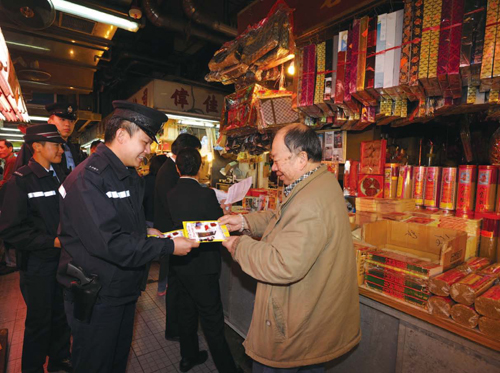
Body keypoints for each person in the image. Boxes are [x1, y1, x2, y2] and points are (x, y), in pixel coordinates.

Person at [57, 101, 199, 373]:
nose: (148, 151)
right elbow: (110, 243)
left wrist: (146, 231)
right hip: (97, 294)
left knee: (116, 362)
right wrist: (167, 247)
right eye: (145, 142)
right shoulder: (88, 180)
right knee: (95, 364)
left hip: (122, 289)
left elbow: (118, 223)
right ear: (122, 135)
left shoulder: (127, 174)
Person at [219, 123, 361, 373]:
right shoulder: (318, 183)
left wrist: (236, 244)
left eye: (276, 160)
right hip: (309, 317)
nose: (273, 168)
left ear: (301, 159)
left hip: (298, 328)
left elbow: (282, 264)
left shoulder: (311, 200)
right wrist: (243, 221)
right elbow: (282, 217)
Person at [0, 124, 72, 373]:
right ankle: (32, 367)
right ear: (37, 147)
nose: (61, 149)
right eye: (56, 144)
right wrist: (51, 241)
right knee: (39, 321)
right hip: (38, 265)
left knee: (61, 314)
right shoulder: (20, 182)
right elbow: (11, 230)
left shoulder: (59, 175)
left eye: (61, 144)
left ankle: (59, 359)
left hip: (61, 260)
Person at [167, 148, 239, 373]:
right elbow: (218, 228)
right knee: (212, 320)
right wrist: (225, 211)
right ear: (200, 168)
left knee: (186, 312)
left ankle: (188, 358)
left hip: (180, 264)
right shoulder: (206, 194)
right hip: (204, 265)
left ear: (177, 168)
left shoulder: (170, 194)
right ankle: (228, 368)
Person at [153, 133, 201, 339]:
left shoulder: (171, 169)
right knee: (176, 284)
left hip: (173, 231)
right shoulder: (168, 172)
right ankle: (174, 329)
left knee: (176, 283)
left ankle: (176, 328)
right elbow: (172, 205)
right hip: (171, 233)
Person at [15, 102, 86, 175]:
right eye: (62, 119)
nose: (67, 124)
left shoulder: (74, 149)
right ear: (50, 122)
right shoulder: (35, 146)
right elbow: (21, 177)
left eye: (71, 121)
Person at [0, 139, 18, 274]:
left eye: (1, 147)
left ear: (10, 148)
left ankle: (12, 262)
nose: (0, 151)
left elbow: (7, 182)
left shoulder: (12, 161)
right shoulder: (9, 161)